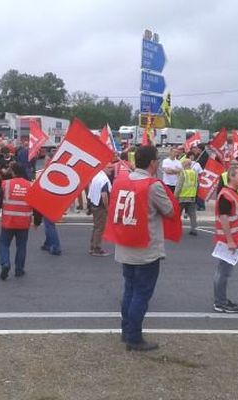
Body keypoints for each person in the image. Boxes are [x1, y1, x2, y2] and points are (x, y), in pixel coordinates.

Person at [104, 145, 175, 351]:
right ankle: (134, 337)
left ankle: (126, 331)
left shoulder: (120, 181)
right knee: (141, 294)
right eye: (157, 161)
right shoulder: (152, 185)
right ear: (153, 163)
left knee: (129, 290)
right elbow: (169, 211)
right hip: (145, 249)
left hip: (125, 245)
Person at [212, 165, 238, 313]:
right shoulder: (226, 195)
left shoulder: (232, 193)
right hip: (228, 241)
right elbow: (224, 219)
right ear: (231, 177)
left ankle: (221, 299)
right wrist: (230, 240)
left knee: (223, 272)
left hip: (233, 240)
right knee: (223, 272)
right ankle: (220, 302)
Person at [0, 162, 41, 280]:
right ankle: (19, 270)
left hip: (8, 221)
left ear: (13, 172)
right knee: (21, 246)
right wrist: (37, 222)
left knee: (4, 244)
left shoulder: (5, 184)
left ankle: (5, 263)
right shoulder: (30, 185)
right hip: (23, 222)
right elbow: (37, 206)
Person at [87, 165, 113, 256]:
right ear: (103, 168)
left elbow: (90, 191)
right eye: (109, 167)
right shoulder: (104, 180)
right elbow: (104, 195)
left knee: (96, 226)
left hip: (94, 205)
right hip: (100, 207)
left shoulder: (97, 176)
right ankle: (96, 248)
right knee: (100, 228)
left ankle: (92, 246)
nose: (111, 169)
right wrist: (107, 207)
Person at [175, 159, 198, 236]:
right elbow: (197, 184)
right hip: (192, 196)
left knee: (178, 214)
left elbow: (179, 185)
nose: (182, 165)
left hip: (182, 196)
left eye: (183, 164)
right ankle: (194, 229)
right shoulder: (195, 173)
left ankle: (177, 229)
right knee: (192, 214)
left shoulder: (183, 173)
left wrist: (175, 196)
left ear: (185, 165)